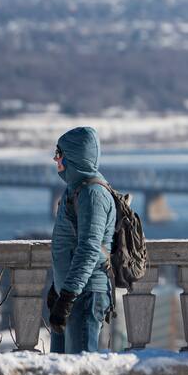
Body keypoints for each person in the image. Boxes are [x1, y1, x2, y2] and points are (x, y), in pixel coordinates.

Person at [48, 127, 116, 353]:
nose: (55, 158)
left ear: (74, 157)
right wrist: (57, 288)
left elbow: (89, 249)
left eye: (60, 153)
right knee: (61, 373)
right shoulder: (74, 189)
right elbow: (69, 244)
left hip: (84, 296)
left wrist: (67, 296)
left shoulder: (92, 194)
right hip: (71, 292)